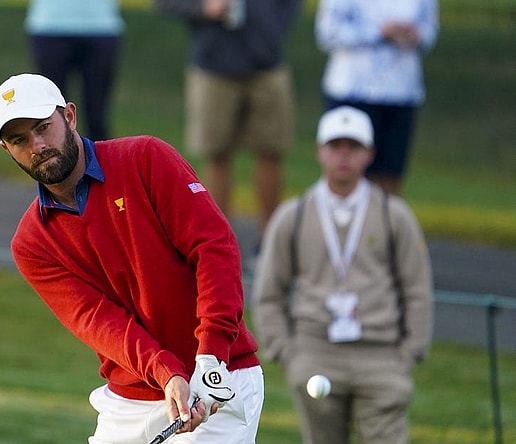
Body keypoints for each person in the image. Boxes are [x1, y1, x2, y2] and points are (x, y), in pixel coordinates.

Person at [0, 73, 263, 443]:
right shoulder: (31, 243)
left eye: (43, 128)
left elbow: (214, 247)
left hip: (219, 377)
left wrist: (211, 354)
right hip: (129, 398)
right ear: (7, 149)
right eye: (20, 140)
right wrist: (167, 372)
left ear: (69, 116)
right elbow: (99, 321)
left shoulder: (145, 158)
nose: (37, 145)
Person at [253, 106, 433, 444]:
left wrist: (410, 353)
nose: (344, 155)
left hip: (381, 354)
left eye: (354, 146)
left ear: (370, 154)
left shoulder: (393, 215)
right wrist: (288, 353)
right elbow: (269, 292)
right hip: (316, 351)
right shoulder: (294, 215)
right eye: (335, 146)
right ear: (319, 151)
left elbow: (417, 290)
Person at [154, 0, 303, 252]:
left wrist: (273, 27)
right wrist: (203, 9)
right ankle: (219, 242)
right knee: (216, 154)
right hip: (213, 67)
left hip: (266, 64)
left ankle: (270, 242)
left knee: (271, 151)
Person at [315, 0, 439, 196]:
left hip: (400, 91)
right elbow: (328, 32)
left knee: (391, 174)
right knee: (346, 172)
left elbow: (429, 30)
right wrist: (379, 32)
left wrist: (416, 35)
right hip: (352, 90)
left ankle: (386, 216)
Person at [25, 0, 124, 141]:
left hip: (101, 25)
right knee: (52, 110)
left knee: (96, 113)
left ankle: (98, 154)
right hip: (49, 24)